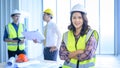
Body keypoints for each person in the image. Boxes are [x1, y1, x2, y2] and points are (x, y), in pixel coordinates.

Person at [59, 4, 99, 68]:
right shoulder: (66, 35)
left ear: (84, 19)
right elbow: (61, 55)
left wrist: (69, 55)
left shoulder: (91, 34)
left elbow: (87, 55)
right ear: (71, 19)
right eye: (74, 17)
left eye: (79, 17)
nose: (76, 20)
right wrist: (78, 51)